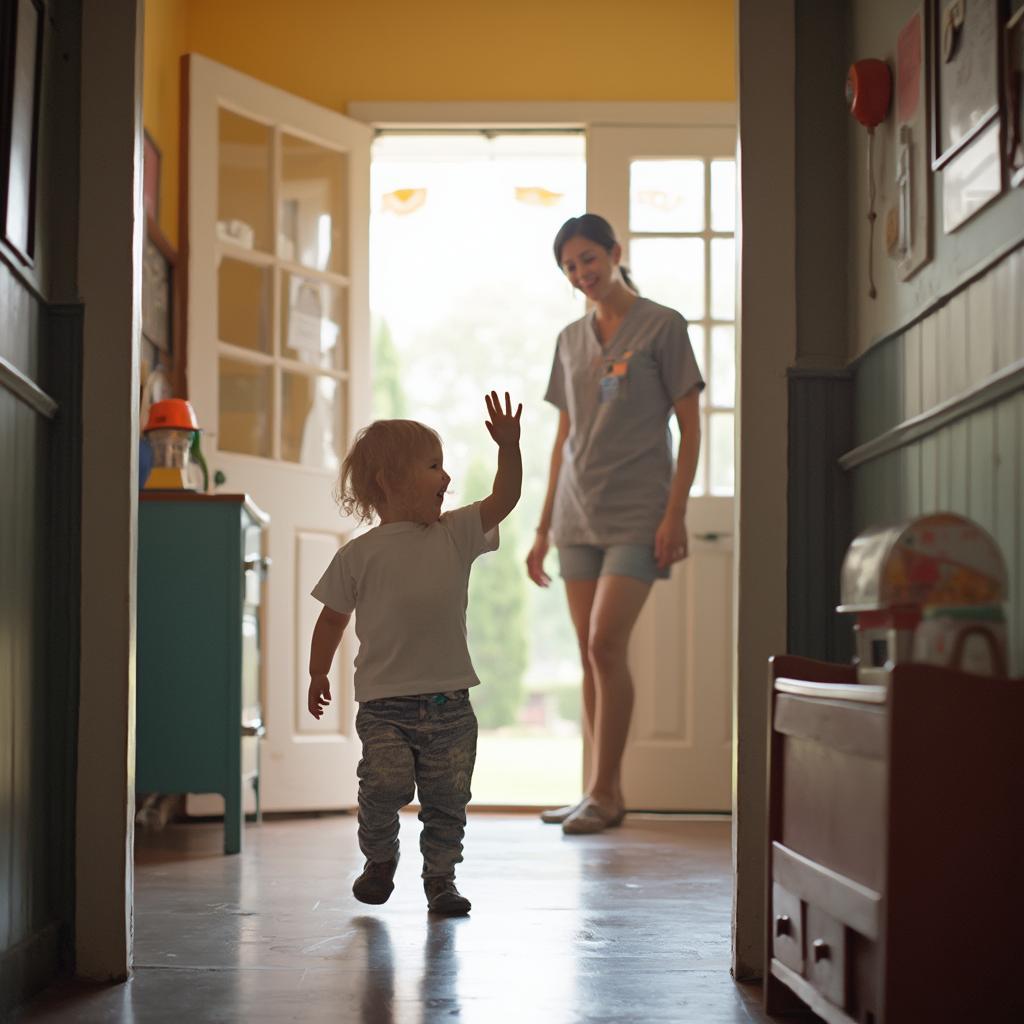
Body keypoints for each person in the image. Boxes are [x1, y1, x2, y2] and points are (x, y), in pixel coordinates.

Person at [307, 393, 522, 915]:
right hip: (385, 706)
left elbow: (505, 498)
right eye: (433, 466)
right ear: (388, 480)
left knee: (448, 800)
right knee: (384, 785)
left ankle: (441, 879)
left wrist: (509, 450)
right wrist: (317, 673)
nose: (446, 477)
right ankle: (380, 859)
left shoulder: (455, 534)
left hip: (450, 704)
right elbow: (332, 617)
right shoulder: (357, 555)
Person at [526, 214, 704, 835]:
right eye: (570, 267)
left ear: (614, 252)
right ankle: (599, 791)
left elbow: (691, 427)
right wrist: (543, 528)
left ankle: (605, 791)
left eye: (588, 259)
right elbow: (563, 436)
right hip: (578, 514)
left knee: (606, 643)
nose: (582, 274)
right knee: (588, 653)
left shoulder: (663, 325)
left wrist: (674, 513)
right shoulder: (570, 340)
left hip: (638, 514)